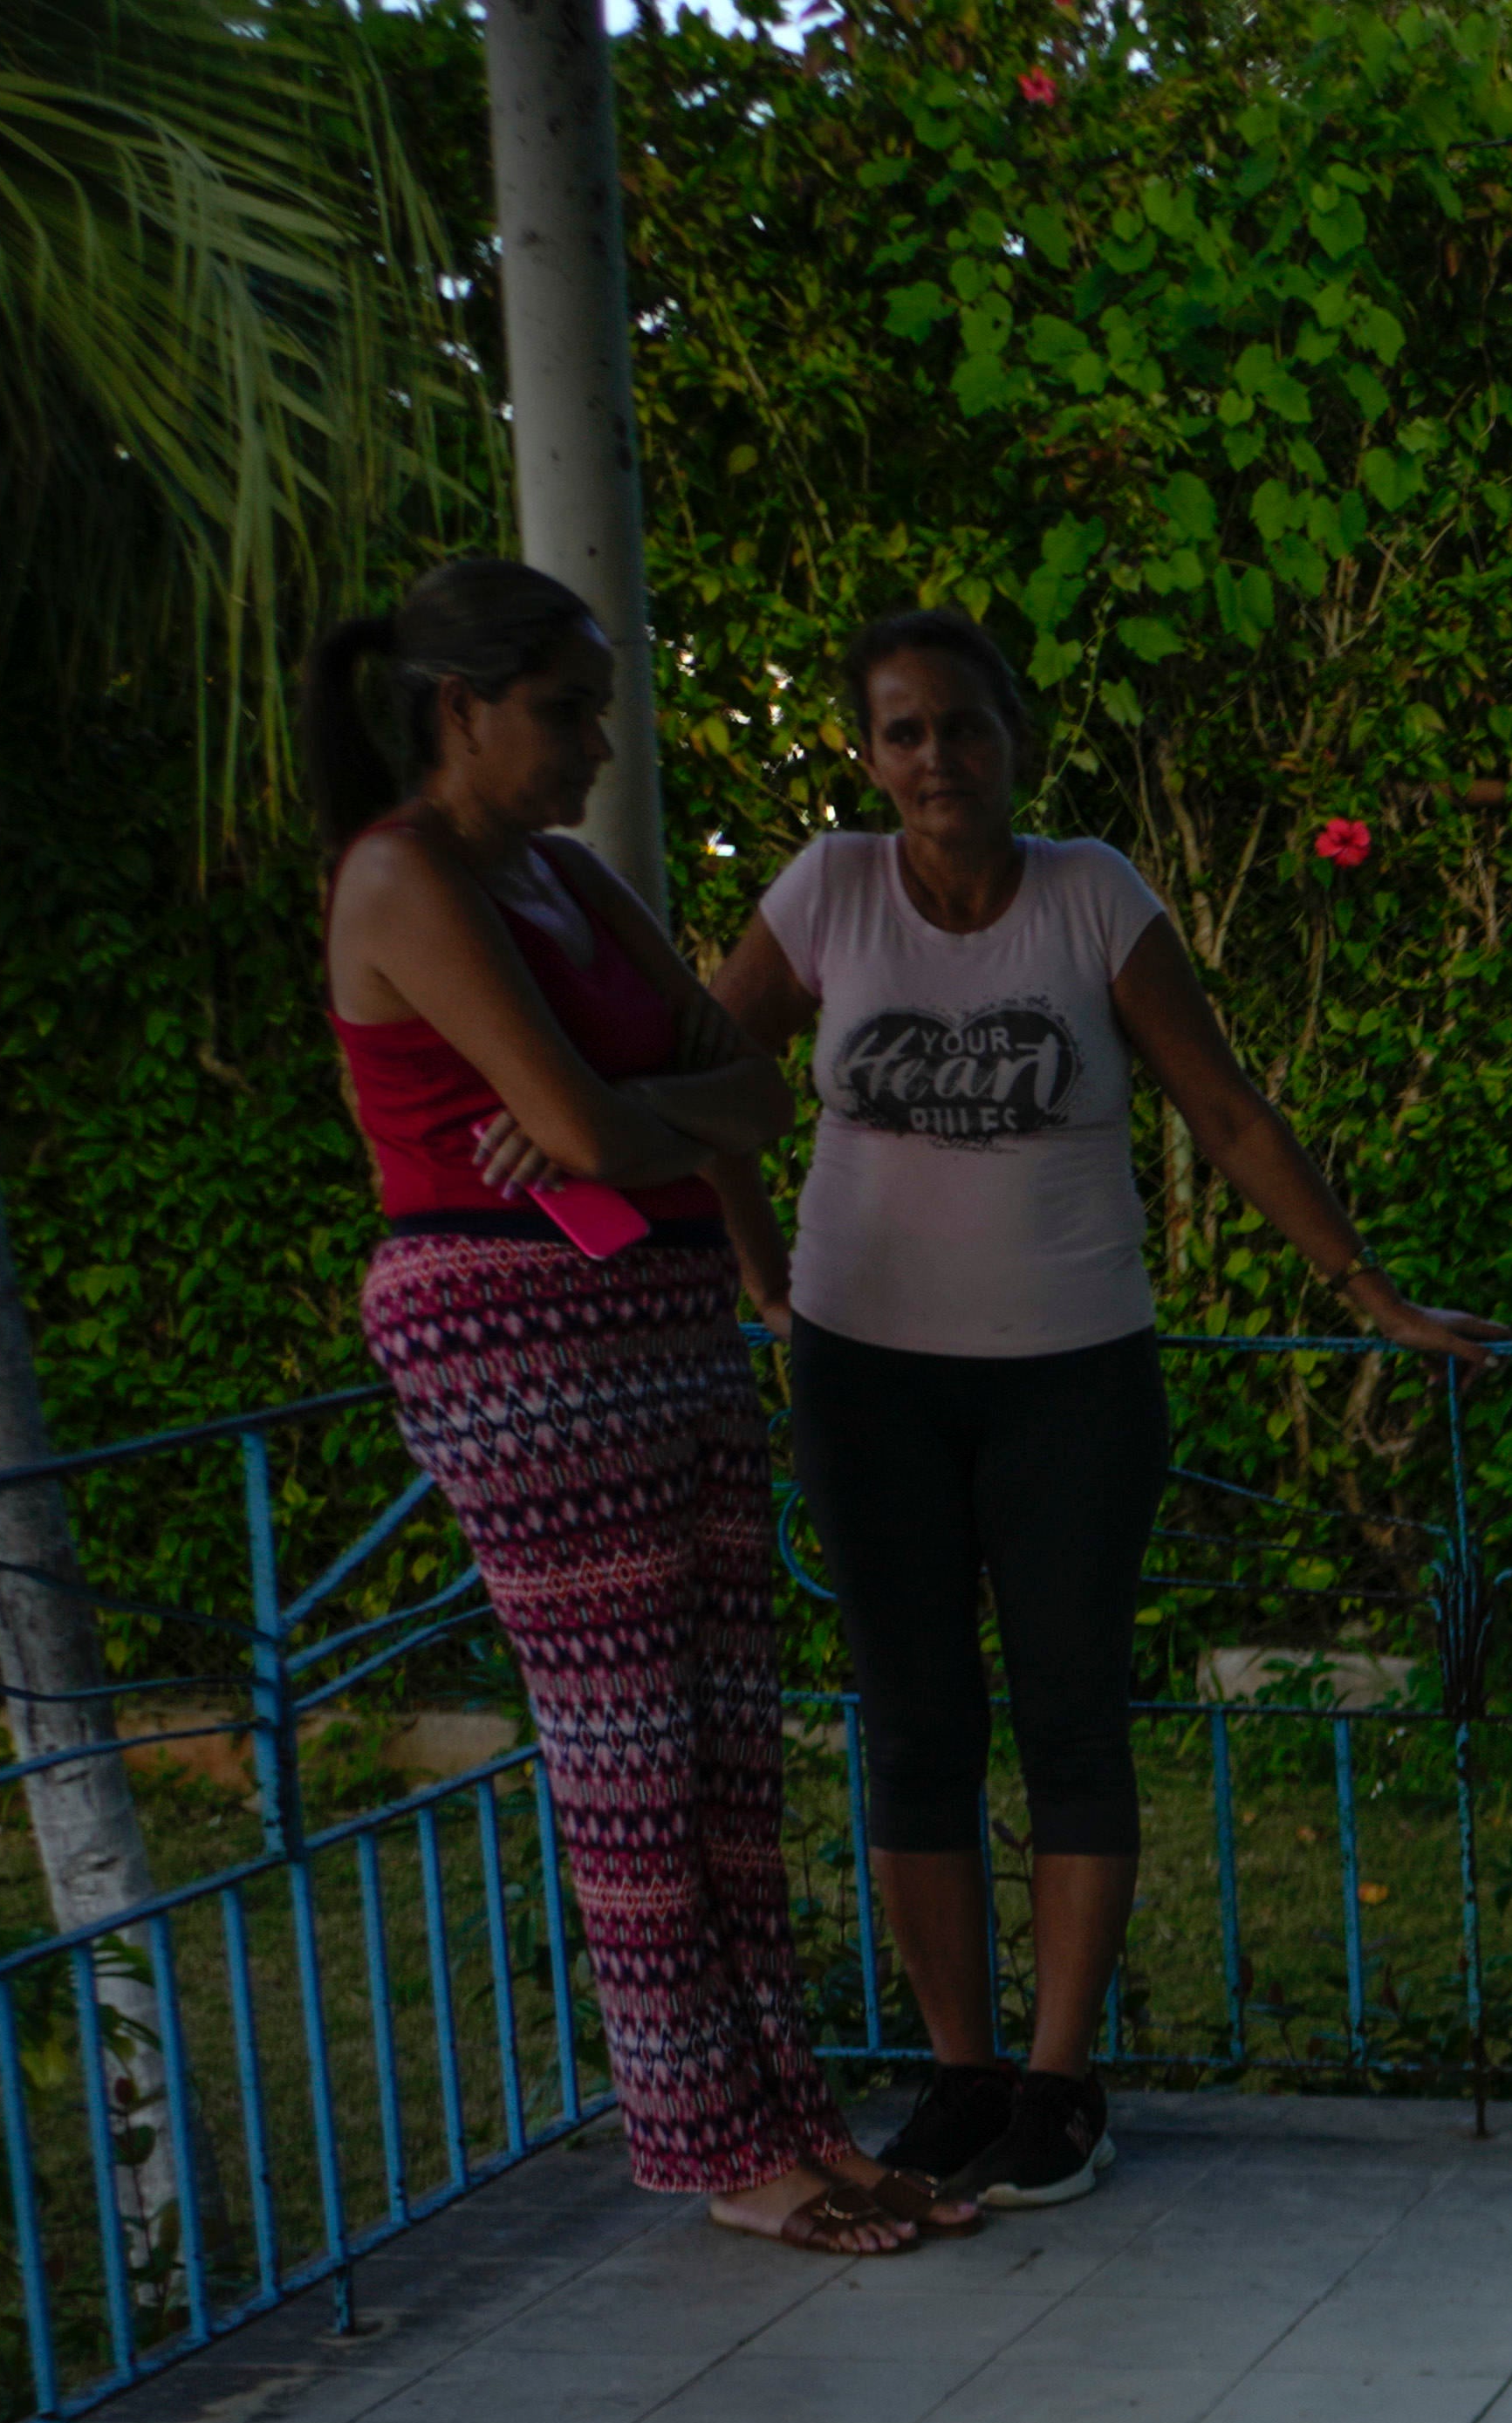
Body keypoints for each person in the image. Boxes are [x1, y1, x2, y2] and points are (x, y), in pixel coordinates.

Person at [695, 607, 1496, 2217]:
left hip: (1074, 1376)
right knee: (913, 1724)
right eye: (905, 732)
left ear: (1017, 741)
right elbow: (710, 1078)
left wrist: (1374, 1295)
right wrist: (764, 1268)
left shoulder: (1090, 895)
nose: (937, 759)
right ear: (871, 753)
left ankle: (1058, 2086)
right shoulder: (828, 890)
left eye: (965, 728)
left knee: (1070, 1720)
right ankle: (960, 2073)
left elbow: (1222, 1103)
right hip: (865, 1376)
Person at [311, 558, 952, 2256]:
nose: (598, 741)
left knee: (733, 1741)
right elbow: (597, 1135)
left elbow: (756, 1084)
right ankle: (714, 2147)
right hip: (510, 1333)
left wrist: (639, 1107)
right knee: (627, 1756)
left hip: (661, 1315)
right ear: (462, 712)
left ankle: (796, 2118)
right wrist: (647, 1116)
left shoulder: (569, 885)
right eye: (568, 709)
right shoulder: (403, 878)